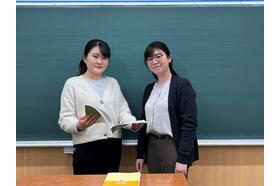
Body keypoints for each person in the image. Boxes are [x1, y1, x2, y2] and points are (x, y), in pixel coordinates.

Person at [58, 39, 144, 175]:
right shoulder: (72, 84)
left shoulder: (113, 83)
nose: (100, 62)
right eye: (95, 56)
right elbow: (65, 119)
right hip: (86, 147)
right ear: (85, 58)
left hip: (112, 147)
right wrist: (78, 125)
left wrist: (132, 124)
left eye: (104, 58)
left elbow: (123, 112)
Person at [135, 41, 199, 176]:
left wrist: (183, 159)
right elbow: (143, 122)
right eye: (150, 59)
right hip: (152, 146)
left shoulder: (182, 86)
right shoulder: (149, 89)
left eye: (159, 56)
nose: (155, 61)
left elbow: (189, 125)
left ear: (169, 58)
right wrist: (140, 153)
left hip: (173, 147)